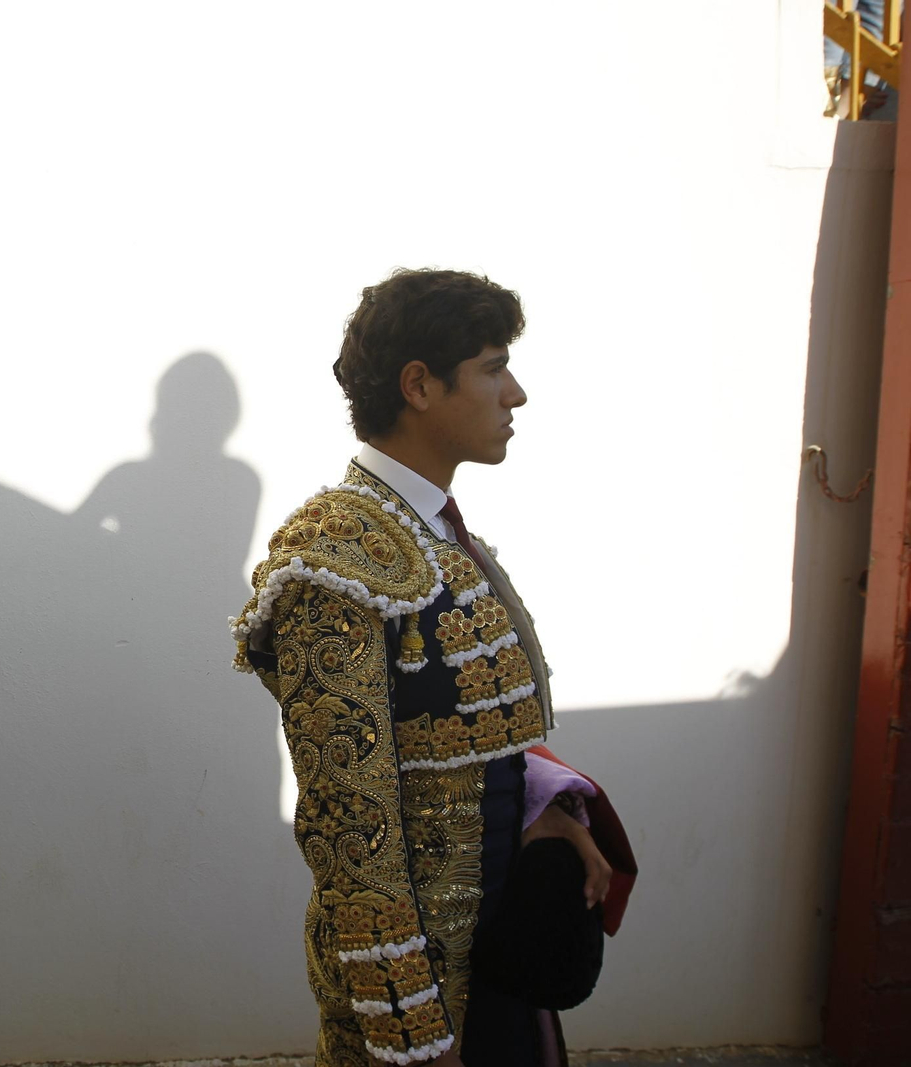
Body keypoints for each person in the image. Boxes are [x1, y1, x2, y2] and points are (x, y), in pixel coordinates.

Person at [230, 270, 610, 1066]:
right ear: (420, 385)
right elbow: (349, 831)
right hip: (427, 987)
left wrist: (542, 814)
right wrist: (411, 1034)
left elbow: (462, 743)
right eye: (493, 366)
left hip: (491, 953)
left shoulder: (431, 533)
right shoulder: (335, 556)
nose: (517, 393)